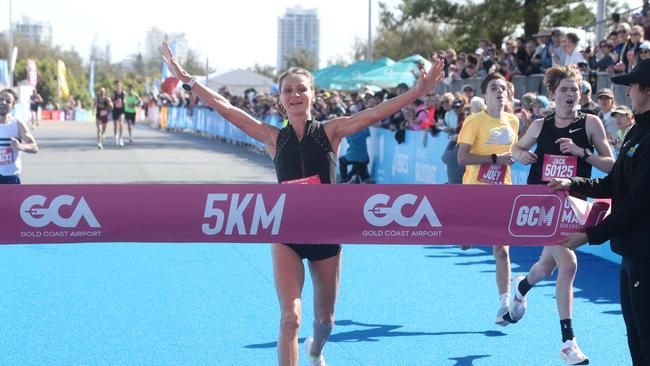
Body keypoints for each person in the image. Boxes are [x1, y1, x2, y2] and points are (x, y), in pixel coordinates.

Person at [162, 40, 444, 366]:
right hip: (287, 234)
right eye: (288, 90)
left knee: (325, 323)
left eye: (301, 89)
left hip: (326, 236)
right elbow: (225, 107)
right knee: (289, 319)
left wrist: (418, 91)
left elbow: (377, 112)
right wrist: (187, 78)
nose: (294, 95)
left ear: (312, 95)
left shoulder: (331, 131)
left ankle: (316, 350)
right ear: (280, 99)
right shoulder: (272, 137)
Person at [510, 65, 614, 365]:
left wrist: (581, 153)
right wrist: (521, 155)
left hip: (575, 206)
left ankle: (521, 287)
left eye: (575, 90)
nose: (571, 94)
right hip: (543, 208)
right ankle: (568, 343)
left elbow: (609, 165)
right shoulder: (540, 126)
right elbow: (515, 149)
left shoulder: (590, 123)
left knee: (546, 267)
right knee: (567, 265)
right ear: (552, 94)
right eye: (565, 90)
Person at [554, 58, 650, 366]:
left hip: (646, 255)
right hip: (631, 253)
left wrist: (589, 235)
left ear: (647, 92)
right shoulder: (636, 132)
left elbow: (637, 203)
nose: (627, 94)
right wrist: (573, 183)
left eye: (632, 87)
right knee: (635, 334)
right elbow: (614, 183)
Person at [457, 72, 519, 326]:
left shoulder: (513, 122)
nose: (500, 92)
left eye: (503, 88)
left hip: (502, 191)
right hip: (474, 191)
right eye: (494, 88)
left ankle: (504, 304)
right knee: (464, 244)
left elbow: (514, 152)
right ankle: (464, 231)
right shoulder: (474, 120)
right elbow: (462, 158)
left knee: (502, 249)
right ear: (485, 95)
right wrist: (495, 159)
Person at [0, 89, 38, 184]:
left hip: (10, 177)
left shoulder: (17, 124)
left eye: (8, 101)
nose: (3, 102)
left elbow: (34, 147)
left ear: (12, 107)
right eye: (0, 99)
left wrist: (21, 146)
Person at [111, 80, 126, 146]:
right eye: (117, 85)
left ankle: (121, 138)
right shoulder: (113, 93)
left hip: (121, 110)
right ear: (115, 86)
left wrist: (124, 102)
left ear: (121, 85)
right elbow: (111, 102)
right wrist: (116, 101)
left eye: (119, 85)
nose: (118, 86)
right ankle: (115, 137)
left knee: (121, 123)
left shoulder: (123, 93)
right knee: (115, 126)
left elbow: (125, 101)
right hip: (115, 110)